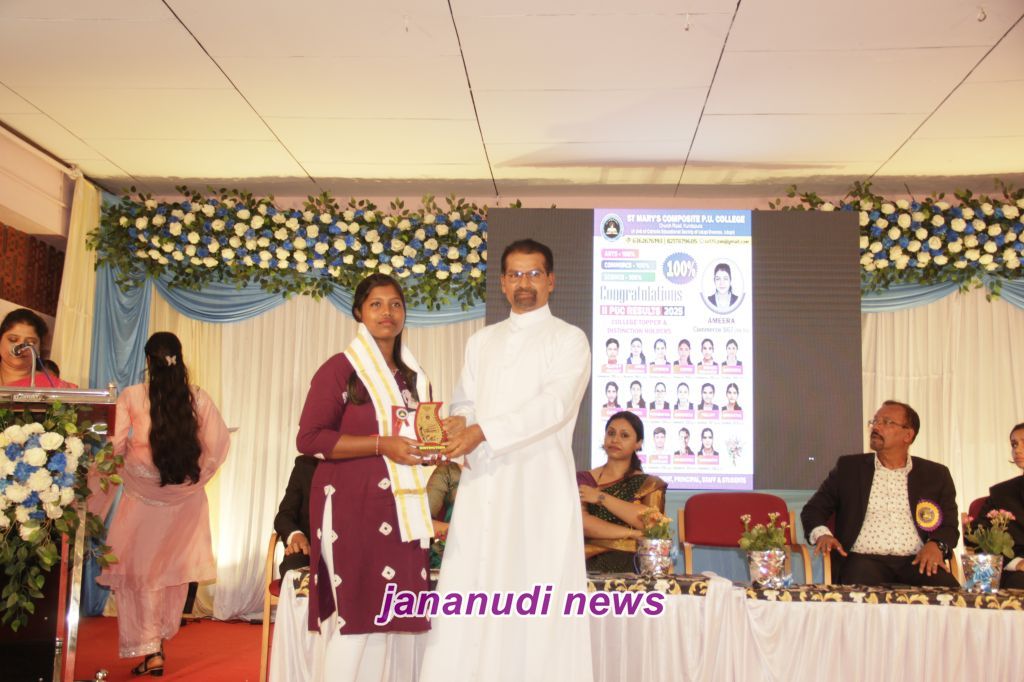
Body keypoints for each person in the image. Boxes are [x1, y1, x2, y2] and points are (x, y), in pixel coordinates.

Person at [420, 239, 593, 682]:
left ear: (551, 281)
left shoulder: (569, 339)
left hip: (539, 488)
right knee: (472, 586)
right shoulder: (482, 341)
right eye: (515, 274)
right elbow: (465, 401)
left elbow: (554, 405)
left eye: (534, 274)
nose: (524, 283)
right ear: (501, 282)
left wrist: (481, 432)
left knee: (536, 591)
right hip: (483, 482)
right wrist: (459, 425)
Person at [297, 274, 440, 681]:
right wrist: (382, 444)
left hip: (398, 507)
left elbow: (414, 436)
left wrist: (435, 447)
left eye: (395, 304)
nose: (387, 312)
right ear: (359, 312)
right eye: (376, 304)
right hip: (351, 505)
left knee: (383, 620)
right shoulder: (341, 369)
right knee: (356, 618)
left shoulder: (413, 377)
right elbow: (309, 438)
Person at [96, 332, 230, 676]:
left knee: (142, 576)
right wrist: (194, 480)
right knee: (170, 574)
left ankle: (151, 648)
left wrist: (96, 490)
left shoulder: (131, 396)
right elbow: (217, 446)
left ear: (148, 361)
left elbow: (114, 449)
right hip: (185, 506)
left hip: (142, 503)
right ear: (179, 359)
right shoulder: (197, 398)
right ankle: (157, 643)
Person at [800, 401, 959, 588]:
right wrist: (823, 535)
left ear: (908, 435)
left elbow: (949, 525)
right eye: (875, 421)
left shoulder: (936, 475)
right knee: (860, 588)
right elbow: (813, 510)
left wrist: (936, 545)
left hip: (918, 561)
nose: (876, 427)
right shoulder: (849, 468)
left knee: (950, 593)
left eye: (887, 422)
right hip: (862, 561)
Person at [577, 412, 667, 572]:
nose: (615, 440)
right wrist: (632, 534)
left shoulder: (649, 484)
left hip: (634, 562)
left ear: (638, 443)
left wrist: (601, 497)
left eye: (624, 435)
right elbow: (584, 525)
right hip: (589, 560)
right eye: (611, 433)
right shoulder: (585, 479)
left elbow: (651, 524)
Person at [974, 422, 1024, 589]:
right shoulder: (1001, 494)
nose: (1017, 449)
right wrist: (1016, 563)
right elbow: (980, 537)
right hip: (1016, 572)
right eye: (1014, 444)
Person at [0, 308, 75, 388]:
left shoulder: (54, 386)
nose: (21, 348)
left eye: (30, 343)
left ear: (39, 348)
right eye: (13, 339)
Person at [273, 455, 319, 578]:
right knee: (294, 569)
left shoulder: (361, 464)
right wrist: (296, 536)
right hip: (307, 550)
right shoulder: (305, 464)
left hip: (349, 551)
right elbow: (284, 516)